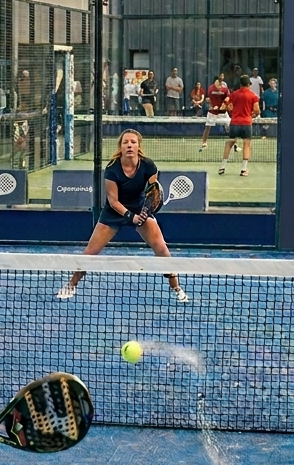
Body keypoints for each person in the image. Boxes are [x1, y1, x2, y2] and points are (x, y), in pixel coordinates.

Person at [57, 130, 188, 302]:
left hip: (140, 208)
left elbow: (152, 193)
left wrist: (145, 211)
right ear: (120, 146)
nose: (129, 145)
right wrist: (130, 216)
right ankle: (71, 285)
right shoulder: (112, 169)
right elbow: (113, 200)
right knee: (90, 252)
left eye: (133, 142)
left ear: (138, 146)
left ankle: (177, 288)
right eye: (125, 142)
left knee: (162, 249)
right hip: (114, 212)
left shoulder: (149, 166)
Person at [221, 75, 259, 177]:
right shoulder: (253, 96)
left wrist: (232, 112)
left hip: (235, 123)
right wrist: (251, 115)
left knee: (229, 143)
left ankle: (222, 167)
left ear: (240, 84)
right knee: (246, 145)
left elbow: (225, 105)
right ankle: (243, 170)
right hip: (246, 123)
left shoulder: (234, 94)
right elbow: (257, 110)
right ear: (248, 84)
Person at [199, 75, 231, 151]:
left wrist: (224, 104)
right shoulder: (211, 89)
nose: (220, 83)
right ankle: (204, 143)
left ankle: (234, 145)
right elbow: (208, 99)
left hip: (223, 113)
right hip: (213, 112)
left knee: (231, 127)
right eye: (219, 81)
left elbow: (228, 97)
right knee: (207, 127)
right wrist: (213, 105)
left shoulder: (224, 88)